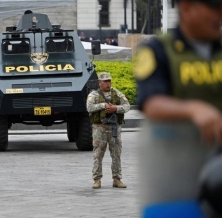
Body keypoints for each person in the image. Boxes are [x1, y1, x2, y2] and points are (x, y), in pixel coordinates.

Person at [134, 0, 222, 216]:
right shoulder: (157, 50)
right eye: (213, 7)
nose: (219, 14)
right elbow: (151, 102)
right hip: (175, 169)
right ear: (187, 8)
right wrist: (194, 109)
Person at [86, 72, 130, 189]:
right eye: (105, 81)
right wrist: (103, 106)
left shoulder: (116, 93)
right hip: (99, 129)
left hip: (114, 128)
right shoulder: (94, 95)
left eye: (109, 81)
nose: (107, 84)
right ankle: (97, 179)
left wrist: (115, 108)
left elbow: (127, 106)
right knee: (98, 155)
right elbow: (89, 107)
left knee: (116, 154)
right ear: (99, 83)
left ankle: (117, 179)